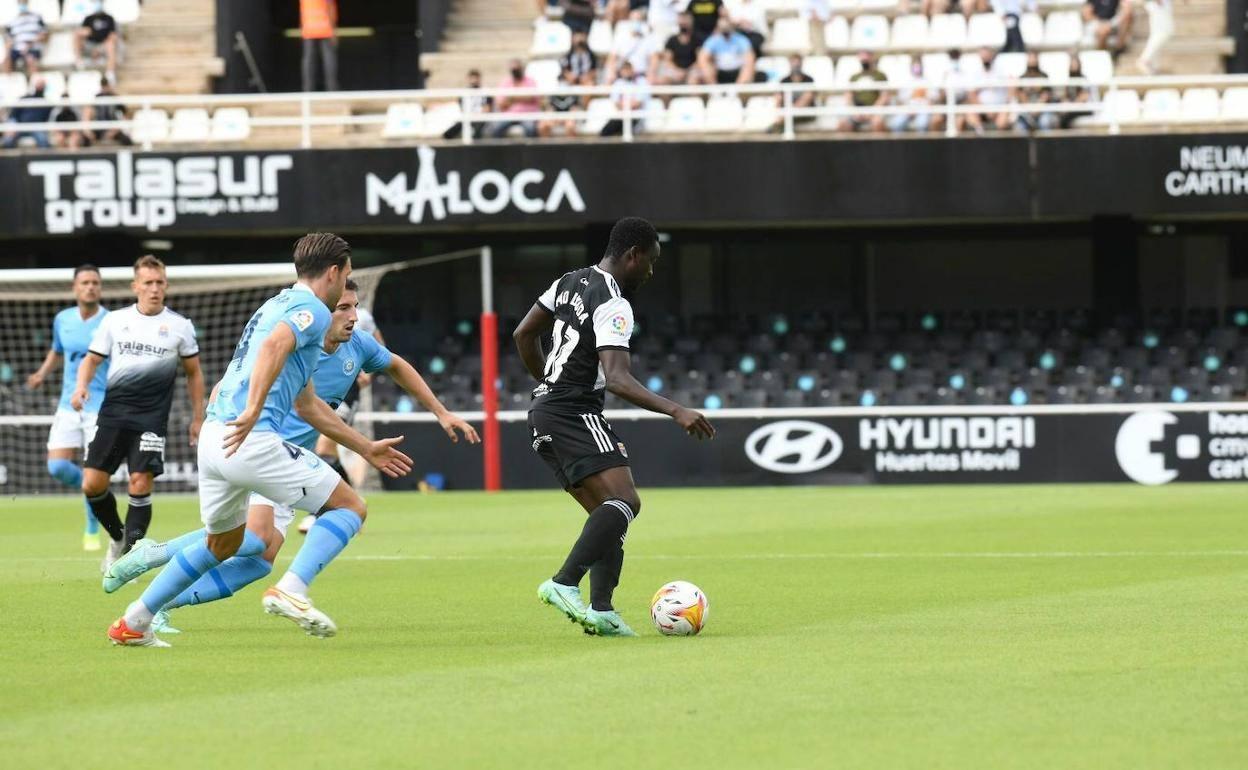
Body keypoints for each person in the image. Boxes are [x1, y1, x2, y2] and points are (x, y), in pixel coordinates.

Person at [102, 279, 477, 634]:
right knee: (282, 532)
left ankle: (156, 591)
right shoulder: (300, 340)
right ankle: (182, 573)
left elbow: (395, 364)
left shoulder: (358, 346)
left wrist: (440, 411)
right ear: (324, 305)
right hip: (263, 452)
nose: (352, 316)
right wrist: (226, 401)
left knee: (256, 559)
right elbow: (261, 377)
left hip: (287, 459)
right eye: (343, 307)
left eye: (355, 308)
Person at [513, 217, 715, 637]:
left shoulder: (568, 281)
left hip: (544, 412)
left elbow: (523, 333)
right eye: (651, 263)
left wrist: (546, 382)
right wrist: (677, 410)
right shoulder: (614, 302)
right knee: (627, 502)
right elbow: (619, 379)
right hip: (574, 411)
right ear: (632, 255)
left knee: (607, 514)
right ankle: (564, 581)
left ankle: (601, 609)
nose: (651, 272)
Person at [73, 256, 204, 575]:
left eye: (160, 282)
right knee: (92, 484)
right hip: (113, 414)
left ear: (166, 285)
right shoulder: (115, 321)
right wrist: (80, 387)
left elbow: (194, 373)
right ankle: (117, 537)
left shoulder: (180, 326)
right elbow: (91, 360)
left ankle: (129, 559)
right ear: (136, 286)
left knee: (140, 481)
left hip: (151, 419)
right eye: (148, 283)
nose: (155, 288)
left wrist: (198, 416)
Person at [25, 265, 109, 552]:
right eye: (85, 282)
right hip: (67, 404)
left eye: (95, 282)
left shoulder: (110, 322)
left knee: (92, 468)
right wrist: (41, 373)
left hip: (99, 406)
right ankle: (91, 488)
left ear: (100, 287)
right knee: (57, 466)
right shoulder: (63, 319)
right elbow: (58, 350)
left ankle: (91, 528)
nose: (90, 287)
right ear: (75, 287)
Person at [490, 59, 541, 139]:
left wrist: (512, 98)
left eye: (517, 69)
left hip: (527, 115)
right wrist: (521, 97)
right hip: (510, 115)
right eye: (513, 70)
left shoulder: (530, 81)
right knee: (496, 130)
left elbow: (531, 97)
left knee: (531, 129)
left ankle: (531, 151)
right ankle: (499, 151)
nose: (515, 72)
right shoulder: (505, 82)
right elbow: (501, 104)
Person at [649, 12, 702, 86]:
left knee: (694, 81)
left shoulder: (697, 40)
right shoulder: (672, 40)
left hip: (691, 71)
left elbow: (699, 60)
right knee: (663, 81)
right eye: (682, 21)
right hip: (675, 71)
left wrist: (686, 71)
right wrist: (677, 71)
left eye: (685, 20)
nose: (684, 23)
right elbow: (668, 60)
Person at [698, 19, 756, 85]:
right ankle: (715, 90)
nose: (725, 29)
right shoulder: (713, 40)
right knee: (706, 68)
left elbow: (750, 57)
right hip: (719, 71)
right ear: (718, 28)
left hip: (737, 70)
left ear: (731, 27)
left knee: (748, 67)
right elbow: (702, 57)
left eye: (726, 27)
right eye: (723, 27)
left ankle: (738, 89)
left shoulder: (741, 39)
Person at [601, 60, 650, 136]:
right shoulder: (618, 83)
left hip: (636, 116)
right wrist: (627, 106)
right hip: (622, 115)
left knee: (626, 129)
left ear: (632, 70)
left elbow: (638, 103)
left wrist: (626, 106)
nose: (626, 71)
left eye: (628, 69)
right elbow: (616, 103)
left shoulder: (641, 82)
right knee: (605, 132)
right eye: (624, 69)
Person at [1, 76, 52, 149]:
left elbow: (47, 120)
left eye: (42, 85)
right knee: (8, 141)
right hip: (20, 126)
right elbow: (13, 115)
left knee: (43, 140)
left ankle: (44, 159)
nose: (40, 87)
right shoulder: (24, 98)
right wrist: (12, 126)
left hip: (36, 127)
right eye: (38, 84)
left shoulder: (47, 103)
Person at [300, 0, 339, 92]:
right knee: (328, 59)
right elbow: (330, 7)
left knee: (309, 60)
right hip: (325, 26)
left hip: (309, 27)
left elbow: (302, 10)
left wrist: (302, 26)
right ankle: (331, 88)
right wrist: (333, 28)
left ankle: (308, 89)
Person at [75, 1, 120, 82]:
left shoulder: (109, 18)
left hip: (103, 45)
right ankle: (78, 61)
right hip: (90, 46)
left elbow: (113, 35)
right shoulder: (88, 18)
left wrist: (99, 49)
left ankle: (110, 73)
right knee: (78, 34)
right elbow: (83, 33)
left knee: (111, 44)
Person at [442, 69, 492, 141]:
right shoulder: (464, 93)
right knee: (448, 133)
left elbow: (487, 108)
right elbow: (462, 108)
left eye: (476, 78)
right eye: (472, 78)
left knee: (477, 133)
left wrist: (478, 115)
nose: (474, 81)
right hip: (468, 117)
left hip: (480, 118)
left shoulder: (485, 92)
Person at [81, 77, 133, 146]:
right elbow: (87, 112)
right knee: (85, 140)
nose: (104, 88)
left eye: (106, 85)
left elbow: (125, 115)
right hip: (98, 128)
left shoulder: (115, 98)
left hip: (113, 128)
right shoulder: (97, 97)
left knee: (127, 141)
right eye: (103, 86)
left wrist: (115, 130)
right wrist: (88, 131)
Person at [3, 1, 48, 75]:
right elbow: (8, 39)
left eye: (24, 3)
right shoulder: (12, 21)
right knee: (6, 61)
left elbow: (44, 35)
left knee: (30, 59)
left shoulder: (37, 17)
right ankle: (9, 83)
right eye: (20, 3)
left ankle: (35, 81)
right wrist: (8, 51)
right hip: (17, 48)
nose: (22, 5)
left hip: (33, 47)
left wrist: (30, 44)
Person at [848, 51, 888, 133]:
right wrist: (854, 111)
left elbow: (884, 96)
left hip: (875, 110)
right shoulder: (854, 77)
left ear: (872, 58)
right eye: (862, 59)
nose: (864, 61)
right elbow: (848, 96)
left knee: (877, 124)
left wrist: (872, 111)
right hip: (858, 110)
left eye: (867, 58)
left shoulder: (880, 75)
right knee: (843, 124)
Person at [774, 54, 816, 131]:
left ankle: (775, 127)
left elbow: (807, 98)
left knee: (781, 124)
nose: (796, 65)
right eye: (794, 62)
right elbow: (778, 99)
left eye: (798, 62)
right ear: (789, 63)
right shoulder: (784, 81)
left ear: (801, 63)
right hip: (787, 114)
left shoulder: (809, 80)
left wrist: (789, 112)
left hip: (804, 113)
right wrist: (780, 114)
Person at [540, 66, 583, 137]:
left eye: (565, 80)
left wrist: (563, 118)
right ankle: (546, 147)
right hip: (556, 117)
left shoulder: (575, 93)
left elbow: (574, 111)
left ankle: (571, 147)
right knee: (543, 125)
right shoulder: (554, 94)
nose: (563, 82)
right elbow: (550, 109)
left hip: (569, 118)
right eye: (561, 80)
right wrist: (556, 119)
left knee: (570, 126)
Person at [1136, 0, 1174, 74]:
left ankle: (1153, 63)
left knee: (1158, 31)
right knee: (1164, 31)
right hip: (1157, 3)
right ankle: (1145, 59)